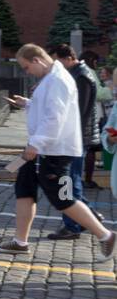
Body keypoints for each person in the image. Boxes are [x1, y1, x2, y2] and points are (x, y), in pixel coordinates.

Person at [0, 44, 115, 258]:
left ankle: (105, 235)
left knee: (63, 197)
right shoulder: (53, 77)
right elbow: (49, 109)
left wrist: (36, 144)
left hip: (55, 151)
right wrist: (29, 104)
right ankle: (20, 241)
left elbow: (56, 117)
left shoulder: (58, 80)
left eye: (26, 67)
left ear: (37, 61)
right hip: (45, 148)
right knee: (24, 188)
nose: (27, 72)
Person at [47, 44, 102, 241]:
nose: (55, 65)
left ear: (67, 58)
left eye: (57, 61)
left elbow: (80, 112)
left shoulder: (81, 76)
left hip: (76, 138)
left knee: (69, 181)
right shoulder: (77, 73)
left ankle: (72, 225)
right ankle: (90, 216)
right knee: (71, 180)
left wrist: (66, 137)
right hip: (75, 137)